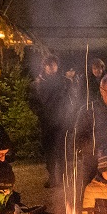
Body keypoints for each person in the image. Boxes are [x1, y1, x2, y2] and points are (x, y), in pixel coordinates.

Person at [30, 54, 73, 188]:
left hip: (62, 121)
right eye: (48, 65)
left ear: (57, 66)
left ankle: (63, 177)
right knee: (49, 151)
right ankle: (52, 177)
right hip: (47, 122)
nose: (51, 67)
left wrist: (67, 114)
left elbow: (71, 100)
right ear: (44, 66)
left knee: (62, 150)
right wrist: (40, 113)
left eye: (53, 64)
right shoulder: (38, 83)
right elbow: (33, 102)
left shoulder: (65, 81)